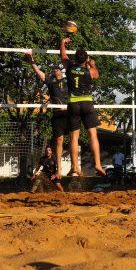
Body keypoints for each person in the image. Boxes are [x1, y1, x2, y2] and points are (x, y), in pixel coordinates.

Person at [59, 37, 107, 177]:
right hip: (87, 103)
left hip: (73, 103)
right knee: (93, 135)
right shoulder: (90, 71)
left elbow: (63, 55)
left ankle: (75, 167)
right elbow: (96, 75)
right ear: (85, 59)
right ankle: (97, 164)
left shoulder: (69, 67)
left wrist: (62, 43)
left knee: (74, 137)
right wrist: (92, 64)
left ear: (75, 59)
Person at [26, 51, 69, 180]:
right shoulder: (51, 82)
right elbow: (38, 72)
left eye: (57, 68)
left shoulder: (69, 81)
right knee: (59, 141)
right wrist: (31, 60)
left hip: (69, 113)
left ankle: (75, 169)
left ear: (61, 71)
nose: (55, 70)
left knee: (74, 139)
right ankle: (59, 170)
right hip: (57, 115)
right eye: (54, 69)